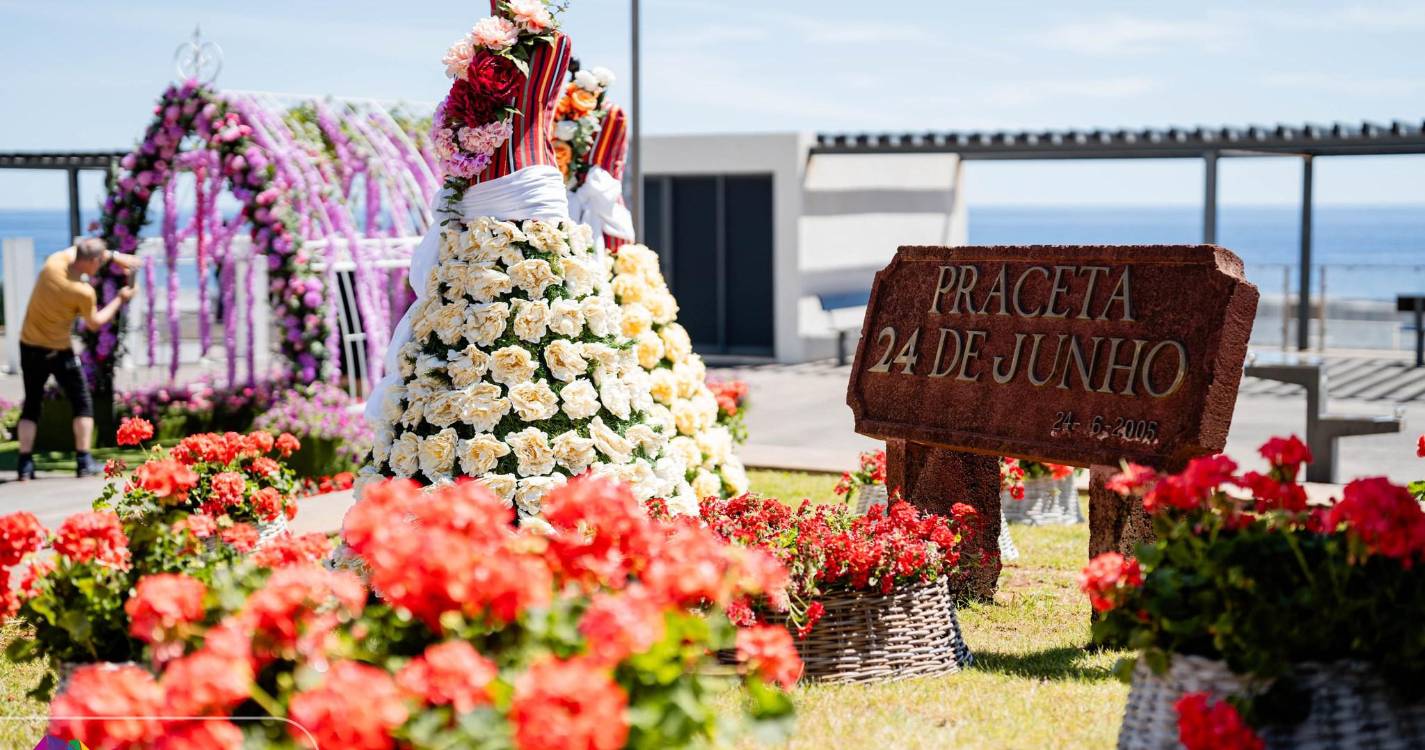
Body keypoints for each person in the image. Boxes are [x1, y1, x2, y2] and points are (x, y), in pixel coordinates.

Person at [358, 0, 696, 518]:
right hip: (472, 219)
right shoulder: (470, 55)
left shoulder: (552, 44)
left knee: (561, 328)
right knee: (455, 335)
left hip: (532, 195)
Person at [16, 237, 140, 480]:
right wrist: (121, 298)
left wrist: (114, 256)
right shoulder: (82, 292)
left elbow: (82, 249)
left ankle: (25, 465)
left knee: (31, 404)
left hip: (29, 345)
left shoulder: (53, 263)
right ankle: (84, 461)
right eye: (99, 262)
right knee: (82, 402)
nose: (100, 266)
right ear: (93, 261)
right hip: (59, 351)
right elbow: (94, 323)